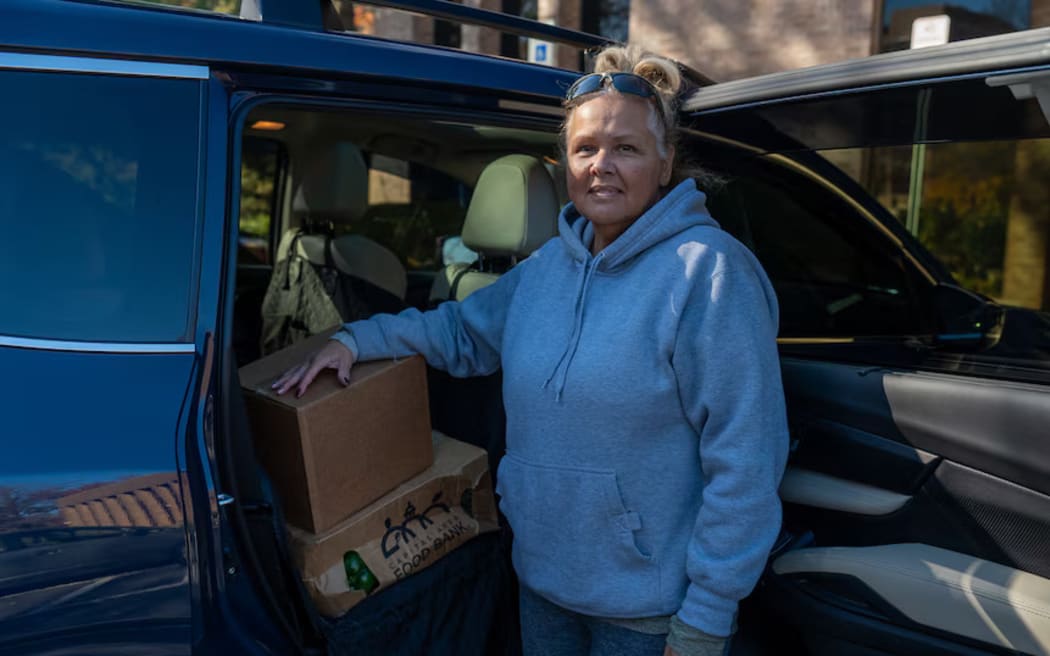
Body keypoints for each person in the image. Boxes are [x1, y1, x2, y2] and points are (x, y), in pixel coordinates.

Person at [273, 45, 789, 656]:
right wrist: (354, 340)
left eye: (626, 148)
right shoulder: (545, 269)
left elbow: (746, 460)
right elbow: (459, 334)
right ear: (565, 162)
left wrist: (706, 618)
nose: (602, 166)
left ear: (665, 162)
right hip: (541, 586)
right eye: (585, 149)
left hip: (650, 612)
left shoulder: (710, 272)